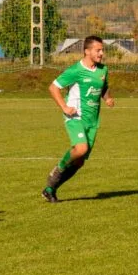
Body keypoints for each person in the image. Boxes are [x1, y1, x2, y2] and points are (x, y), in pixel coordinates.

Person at [42, 35, 114, 202]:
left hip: (92, 121)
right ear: (87, 51)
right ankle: (58, 169)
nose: (101, 53)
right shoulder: (75, 70)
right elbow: (53, 88)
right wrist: (65, 107)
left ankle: (50, 188)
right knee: (80, 149)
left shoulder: (103, 70)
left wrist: (108, 98)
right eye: (98, 50)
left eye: (102, 50)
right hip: (75, 116)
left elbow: (104, 87)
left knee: (79, 162)